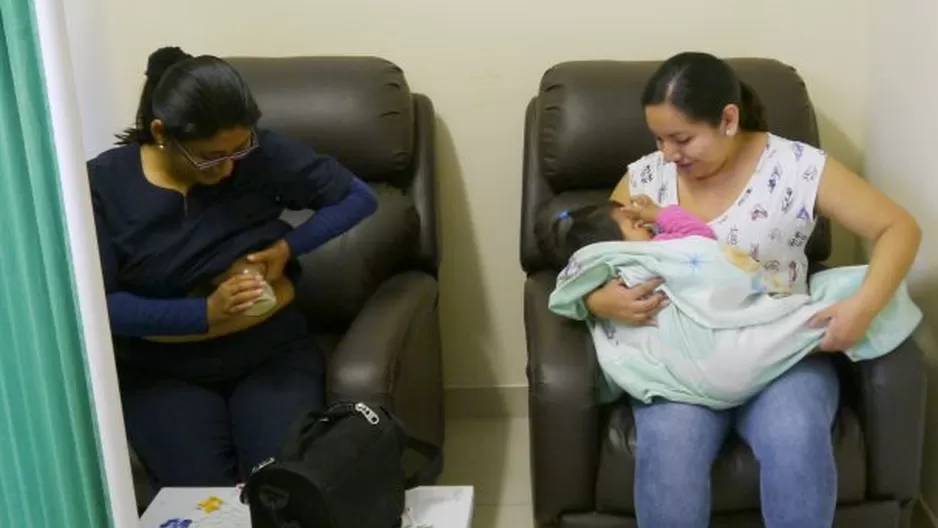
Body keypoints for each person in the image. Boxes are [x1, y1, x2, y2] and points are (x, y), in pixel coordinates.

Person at [582, 52, 921, 527]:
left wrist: (863, 307)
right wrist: (600, 299)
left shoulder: (796, 167)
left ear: (727, 119)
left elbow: (898, 227)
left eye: (681, 138)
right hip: (684, 362)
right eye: (658, 138)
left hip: (781, 356)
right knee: (669, 448)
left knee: (795, 434)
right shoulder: (646, 178)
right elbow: (592, 258)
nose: (668, 154)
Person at [88, 46, 378, 488]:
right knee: (202, 502)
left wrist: (287, 246)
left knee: (280, 487)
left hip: (271, 356)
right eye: (208, 156)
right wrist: (205, 315)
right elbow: (99, 306)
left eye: (238, 150)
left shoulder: (260, 155)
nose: (226, 170)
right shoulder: (103, 186)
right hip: (163, 371)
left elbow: (359, 197)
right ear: (162, 132)